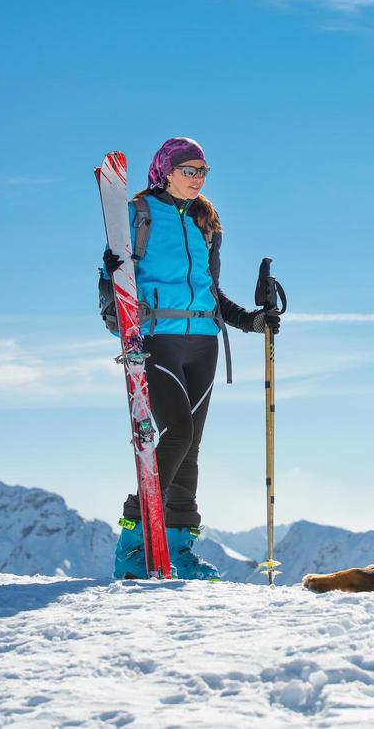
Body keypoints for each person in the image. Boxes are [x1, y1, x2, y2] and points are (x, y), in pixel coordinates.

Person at [99, 137, 280, 580]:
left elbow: (210, 290)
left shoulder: (205, 222)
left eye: (203, 171)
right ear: (165, 170)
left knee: (191, 446)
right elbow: (114, 282)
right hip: (158, 337)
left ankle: (179, 545)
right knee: (175, 433)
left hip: (204, 340)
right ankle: (133, 537)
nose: (198, 178)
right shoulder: (138, 214)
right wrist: (112, 295)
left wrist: (252, 322)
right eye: (189, 169)